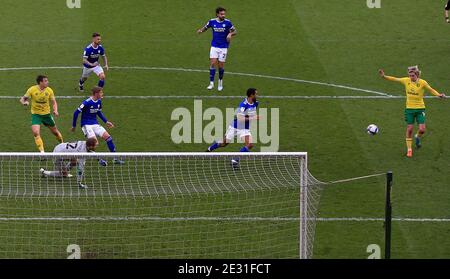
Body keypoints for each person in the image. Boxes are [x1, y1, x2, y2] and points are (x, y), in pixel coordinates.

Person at [379, 66, 445, 157]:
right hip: (409, 109)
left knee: (422, 130)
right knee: (409, 129)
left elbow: (431, 89)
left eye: (412, 75)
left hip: (420, 108)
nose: (411, 77)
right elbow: (395, 79)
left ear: (417, 75)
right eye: (410, 75)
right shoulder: (406, 80)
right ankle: (409, 149)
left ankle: (417, 137)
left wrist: (439, 95)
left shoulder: (422, 83)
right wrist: (384, 76)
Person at [207, 88, 259, 167]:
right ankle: (210, 148)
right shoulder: (243, 105)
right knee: (224, 143)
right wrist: (253, 118)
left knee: (250, 144)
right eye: (256, 94)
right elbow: (240, 118)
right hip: (235, 127)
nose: (257, 95)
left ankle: (235, 160)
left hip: (244, 129)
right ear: (251, 95)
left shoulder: (256, 103)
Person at [72, 86, 124, 165]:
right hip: (86, 125)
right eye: (101, 92)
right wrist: (74, 126)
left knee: (108, 138)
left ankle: (115, 159)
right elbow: (76, 113)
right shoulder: (86, 102)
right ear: (96, 94)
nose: (102, 94)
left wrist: (106, 121)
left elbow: (99, 112)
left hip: (95, 124)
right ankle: (99, 160)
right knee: (94, 143)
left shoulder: (99, 101)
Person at [20, 75, 64, 153]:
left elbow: (54, 102)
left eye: (47, 80)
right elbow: (22, 99)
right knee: (36, 133)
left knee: (55, 132)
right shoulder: (32, 89)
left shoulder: (49, 90)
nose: (48, 82)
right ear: (40, 82)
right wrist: (24, 102)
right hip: (36, 115)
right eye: (45, 81)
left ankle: (63, 145)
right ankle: (42, 152)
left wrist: (55, 110)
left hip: (46, 115)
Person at [197, 7, 237, 92]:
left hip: (223, 47)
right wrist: (201, 31)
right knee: (212, 63)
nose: (223, 15)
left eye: (224, 14)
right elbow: (206, 27)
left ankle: (220, 82)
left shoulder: (228, 22)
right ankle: (211, 83)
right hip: (214, 46)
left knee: (221, 66)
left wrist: (230, 34)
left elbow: (235, 31)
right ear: (217, 14)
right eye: (222, 14)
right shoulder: (212, 21)